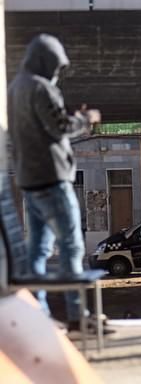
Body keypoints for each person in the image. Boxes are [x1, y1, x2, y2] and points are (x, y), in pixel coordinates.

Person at [8, 34, 101, 333]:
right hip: (53, 179)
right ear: (45, 62)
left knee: (37, 251)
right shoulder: (42, 87)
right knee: (71, 246)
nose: (57, 73)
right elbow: (58, 127)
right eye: (56, 66)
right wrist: (86, 119)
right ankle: (78, 316)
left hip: (29, 181)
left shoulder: (14, 87)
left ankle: (39, 316)